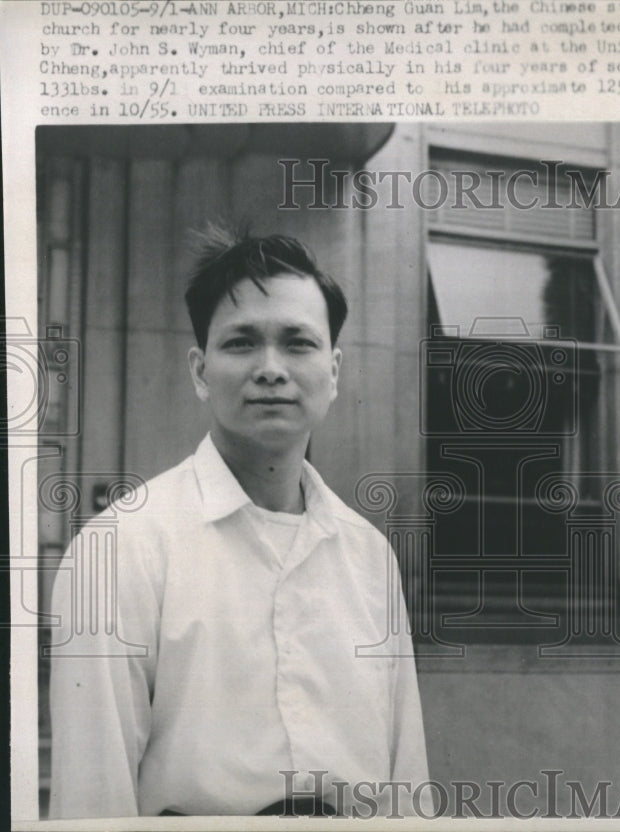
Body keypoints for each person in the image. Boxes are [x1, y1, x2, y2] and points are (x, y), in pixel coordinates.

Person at [47, 229, 430, 818]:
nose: (271, 369)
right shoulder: (121, 548)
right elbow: (93, 802)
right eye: (242, 342)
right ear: (201, 371)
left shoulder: (369, 555)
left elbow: (407, 786)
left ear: (334, 372)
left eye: (298, 343)